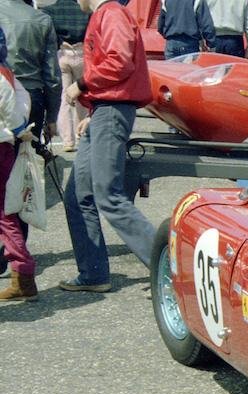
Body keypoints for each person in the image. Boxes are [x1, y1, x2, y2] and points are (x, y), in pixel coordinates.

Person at [58, 0, 155, 293]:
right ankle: (93, 274)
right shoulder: (108, 14)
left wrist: (81, 85)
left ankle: (172, 267)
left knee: (108, 196)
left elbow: (119, 62)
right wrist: (95, 112)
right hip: (105, 109)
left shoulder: (111, 14)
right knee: (77, 195)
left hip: (111, 109)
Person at [0, 0, 61, 275]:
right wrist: (52, 115)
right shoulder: (41, 19)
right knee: (19, 178)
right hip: (29, 99)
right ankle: (17, 249)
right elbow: (52, 74)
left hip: (6, 91)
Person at [0, 26, 36, 300]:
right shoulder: (6, 74)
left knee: (4, 214)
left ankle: (23, 274)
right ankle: (23, 275)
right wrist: (18, 129)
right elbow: (19, 108)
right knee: (5, 214)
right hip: (4, 145)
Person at [41, 0, 89, 151]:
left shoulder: (49, 10)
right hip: (82, 53)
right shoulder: (86, 11)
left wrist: (60, 41)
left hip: (62, 54)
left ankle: (68, 141)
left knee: (64, 98)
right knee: (82, 95)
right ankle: (81, 135)